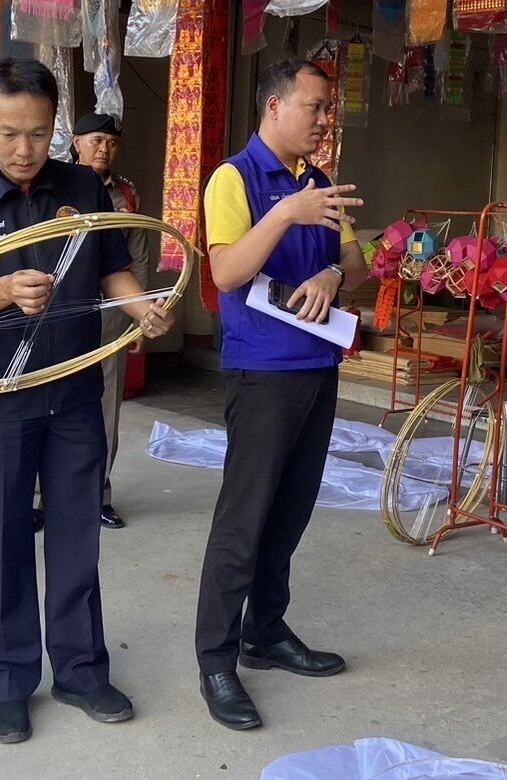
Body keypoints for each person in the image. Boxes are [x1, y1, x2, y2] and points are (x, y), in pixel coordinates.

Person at [0, 58, 173, 744]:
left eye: (37, 133)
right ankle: (7, 680)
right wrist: (6, 290)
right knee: (2, 537)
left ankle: (80, 672)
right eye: (9, 133)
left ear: (54, 127)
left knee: (76, 532)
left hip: (71, 389)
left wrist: (140, 311)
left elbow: (112, 268)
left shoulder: (82, 186)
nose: (23, 148)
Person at [195, 58, 366, 730]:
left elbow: (358, 260)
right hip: (261, 371)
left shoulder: (319, 183)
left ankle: (265, 631)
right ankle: (215, 657)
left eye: (327, 110)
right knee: (243, 520)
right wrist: (286, 215)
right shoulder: (234, 179)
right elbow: (226, 271)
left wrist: (330, 270)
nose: (324, 121)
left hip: (315, 368)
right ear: (274, 107)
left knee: (290, 512)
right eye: (315, 107)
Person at [70, 112, 151, 529]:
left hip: (110, 314)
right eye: (96, 140)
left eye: (112, 143)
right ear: (75, 142)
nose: (104, 149)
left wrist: (140, 316)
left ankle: (97, 494)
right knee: (46, 404)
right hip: (58, 314)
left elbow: (137, 258)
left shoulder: (127, 196)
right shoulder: (55, 185)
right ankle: (38, 497)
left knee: (105, 409)